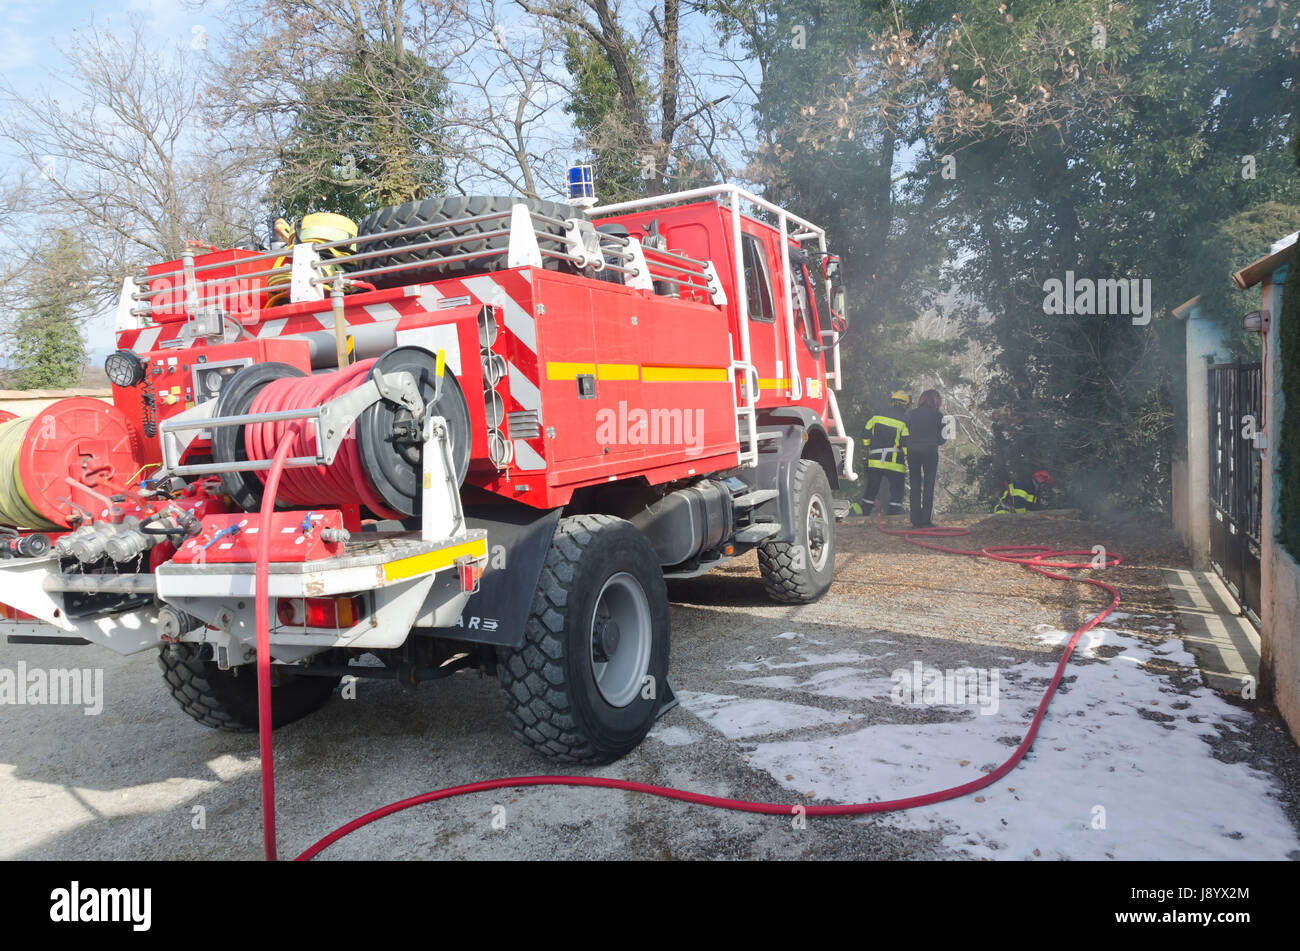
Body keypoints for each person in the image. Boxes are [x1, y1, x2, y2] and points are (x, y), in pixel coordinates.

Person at [850, 391, 910, 517]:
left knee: (871, 489)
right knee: (897, 491)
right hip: (894, 463)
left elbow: (865, 435)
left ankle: (864, 513)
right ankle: (893, 516)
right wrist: (908, 456)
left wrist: (869, 447)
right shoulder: (904, 421)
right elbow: (905, 445)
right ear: (905, 405)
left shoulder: (876, 416)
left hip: (875, 461)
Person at [905, 389, 946, 528]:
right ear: (936, 400)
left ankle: (915, 520)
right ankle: (926, 521)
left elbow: (905, 433)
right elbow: (942, 440)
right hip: (930, 451)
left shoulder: (911, 414)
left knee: (915, 485)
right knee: (929, 485)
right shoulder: (938, 415)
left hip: (912, 451)